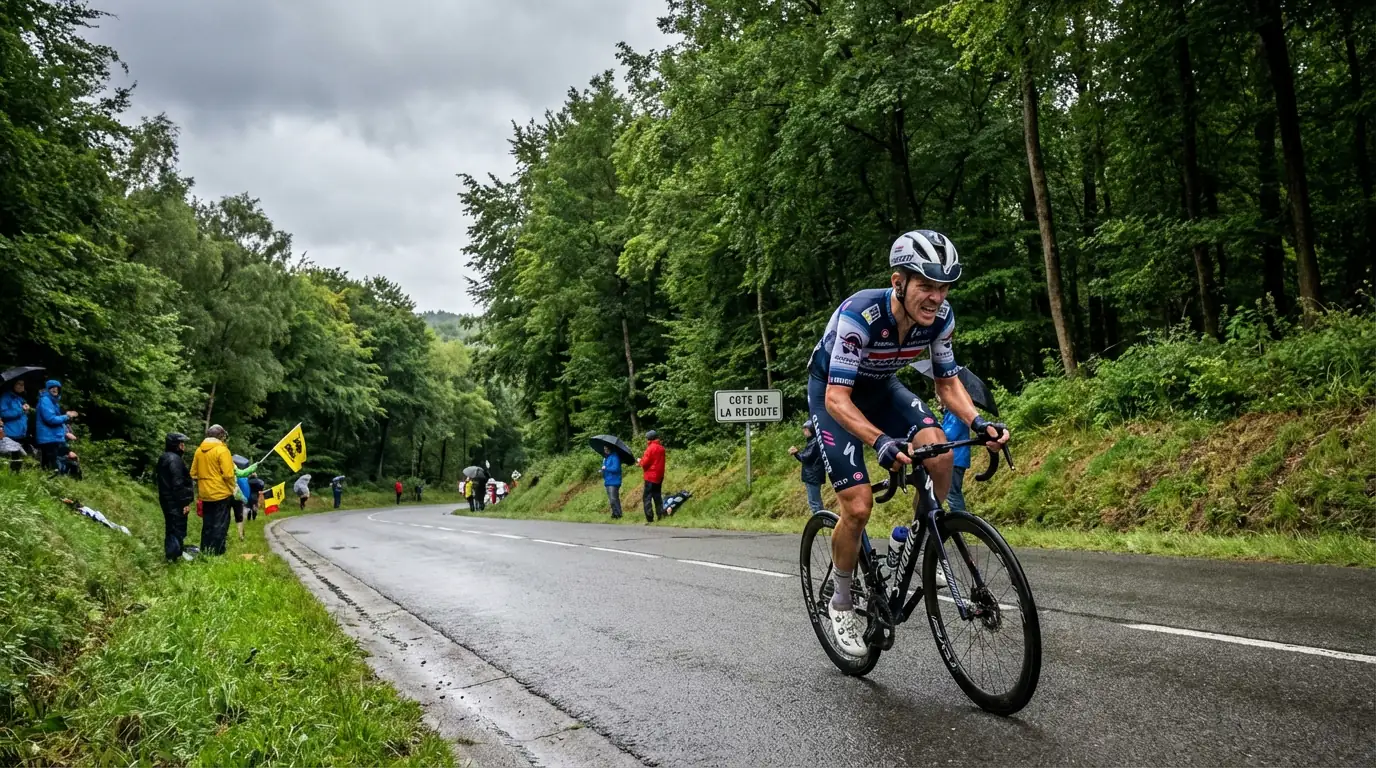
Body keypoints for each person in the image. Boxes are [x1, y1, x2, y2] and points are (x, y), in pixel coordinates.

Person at [807, 230, 1008, 658]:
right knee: (858, 505)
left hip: (881, 387)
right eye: (926, 286)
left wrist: (979, 420)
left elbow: (947, 383)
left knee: (940, 452)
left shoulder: (941, 319)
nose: (936, 297)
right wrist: (879, 441)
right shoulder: (860, 317)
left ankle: (911, 539)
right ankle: (840, 601)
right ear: (899, 282)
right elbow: (837, 400)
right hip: (834, 395)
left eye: (943, 287)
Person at [190, 424, 237, 556]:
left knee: (208, 524)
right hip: (221, 493)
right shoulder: (222, 450)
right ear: (221, 436)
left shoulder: (199, 451)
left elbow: (193, 473)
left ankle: (205, 550)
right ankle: (217, 552)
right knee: (220, 524)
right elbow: (228, 474)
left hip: (205, 494)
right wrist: (233, 488)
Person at [155, 432, 195, 561]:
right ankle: (173, 557)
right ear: (176, 445)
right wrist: (184, 502)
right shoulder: (174, 460)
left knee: (172, 526)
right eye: (181, 444)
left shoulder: (164, 457)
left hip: (167, 499)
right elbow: (178, 483)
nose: (184, 446)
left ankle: (175, 554)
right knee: (176, 527)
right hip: (175, 501)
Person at [35, 380, 77, 473]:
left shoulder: (54, 402)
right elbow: (51, 419)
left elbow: (57, 420)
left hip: (53, 437)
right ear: (47, 389)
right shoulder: (45, 400)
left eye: (57, 387)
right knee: (51, 466)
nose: (55, 389)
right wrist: (67, 416)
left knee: (51, 465)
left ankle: (50, 481)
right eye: (52, 387)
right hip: (48, 437)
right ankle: (49, 482)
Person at [940, 396, 973, 513]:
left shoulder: (956, 412)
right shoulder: (950, 413)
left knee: (952, 492)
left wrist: (937, 430)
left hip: (956, 458)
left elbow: (951, 434)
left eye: (939, 396)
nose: (938, 399)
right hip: (954, 458)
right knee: (951, 491)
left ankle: (961, 521)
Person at [789, 422, 827, 513]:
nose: (804, 431)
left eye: (806, 429)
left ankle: (819, 523)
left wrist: (796, 453)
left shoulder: (814, 442)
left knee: (814, 503)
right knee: (817, 502)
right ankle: (822, 522)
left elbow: (804, 458)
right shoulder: (814, 441)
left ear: (812, 430)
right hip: (815, 475)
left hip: (812, 475)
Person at [638, 430, 666, 523]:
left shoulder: (650, 448)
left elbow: (645, 462)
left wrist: (639, 462)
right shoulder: (662, 448)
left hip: (650, 476)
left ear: (649, 439)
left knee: (647, 497)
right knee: (657, 496)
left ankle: (650, 518)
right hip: (659, 476)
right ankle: (660, 515)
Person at [0, 379, 30, 462]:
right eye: (19, 384)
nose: (21, 386)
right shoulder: (5, 397)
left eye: (23, 384)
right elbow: (3, 414)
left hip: (20, 434)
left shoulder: (20, 399)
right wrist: (21, 410)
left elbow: (22, 415)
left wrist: (26, 411)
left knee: (18, 462)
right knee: (11, 461)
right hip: (10, 434)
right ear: (13, 385)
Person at [600, 445, 623, 519]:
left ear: (610, 449)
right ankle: (614, 513)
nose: (605, 450)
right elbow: (605, 469)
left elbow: (615, 469)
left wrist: (606, 468)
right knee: (611, 499)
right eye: (604, 449)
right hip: (608, 481)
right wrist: (602, 470)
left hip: (614, 481)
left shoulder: (615, 457)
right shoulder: (606, 458)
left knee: (614, 498)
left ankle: (618, 514)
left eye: (606, 449)